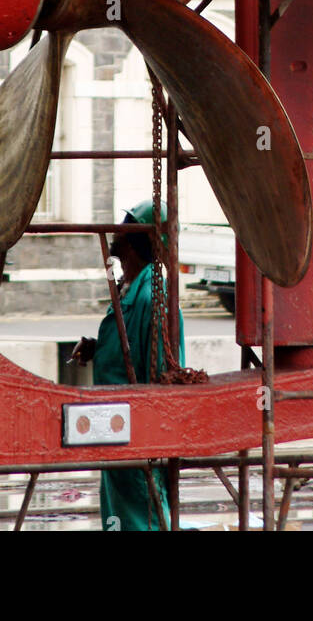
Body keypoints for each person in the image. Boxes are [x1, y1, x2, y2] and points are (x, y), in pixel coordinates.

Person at [71, 200, 185, 532]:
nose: (115, 231)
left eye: (125, 225)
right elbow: (133, 348)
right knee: (121, 512)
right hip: (116, 427)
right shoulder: (131, 291)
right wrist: (98, 349)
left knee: (141, 514)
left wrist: (153, 433)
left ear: (134, 240)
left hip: (136, 432)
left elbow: (162, 371)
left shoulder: (153, 299)